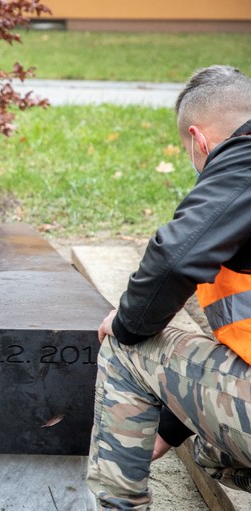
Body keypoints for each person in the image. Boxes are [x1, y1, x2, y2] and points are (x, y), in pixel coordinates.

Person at [87, 65, 251, 510]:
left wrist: (124, 325)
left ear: (200, 141)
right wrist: (173, 426)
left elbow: (173, 259)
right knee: (210, 449)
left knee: (125, 342)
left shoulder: (243, 158)